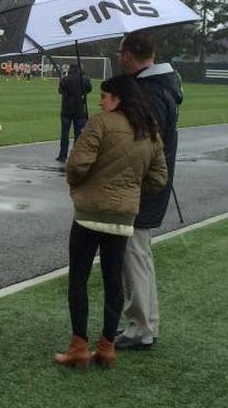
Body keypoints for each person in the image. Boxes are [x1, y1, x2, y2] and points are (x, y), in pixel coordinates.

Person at [54, 75, 168, 369]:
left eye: (104, 96)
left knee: (79, 279)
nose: (100, 101)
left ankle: (79, 346)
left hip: (90, 213)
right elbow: (159, 177)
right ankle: (107, 346)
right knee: (113, 279)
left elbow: (77, 164)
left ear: (118, 98)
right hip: (123, 217)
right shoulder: (149, 129)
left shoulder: (100, 123)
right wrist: (130, 193)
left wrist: (79, 187)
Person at [114, 31, 183, 350]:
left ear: (129, 55)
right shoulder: (161, 85)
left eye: (121, 54)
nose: (119, 59)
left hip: (143, 186)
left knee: (134, 255)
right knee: (140, 254)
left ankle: (141, 327)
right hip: (151, 182)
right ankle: (146, 323)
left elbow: (143, 145)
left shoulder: (150, 91)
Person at [57, 64, 91, 163]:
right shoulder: (84, 79)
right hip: (79, 110)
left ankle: (62, 155)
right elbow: (88, 89)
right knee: (79, 135)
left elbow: (60, 91)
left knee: (64, 134)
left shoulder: (65, 80)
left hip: (66, 110)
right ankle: (76, 155)